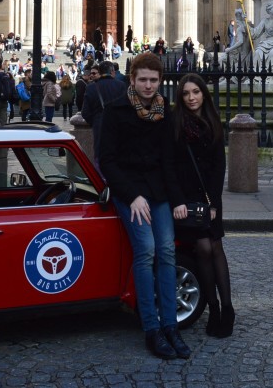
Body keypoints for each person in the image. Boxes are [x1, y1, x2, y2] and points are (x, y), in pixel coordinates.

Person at [98, 52, 190, 360]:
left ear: (160, 81)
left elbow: (170, 161)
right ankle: (151, 328)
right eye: (143, 80)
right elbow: (107, 161)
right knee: (147, 249)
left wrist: (177, 200)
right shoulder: (115, 111)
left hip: (160, 192)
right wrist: (132, 195)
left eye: (153, 80)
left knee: (167, 250)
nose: (148, 86)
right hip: (131, 194)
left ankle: (170, 326)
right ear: (132, 79)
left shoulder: (166, 112)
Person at [171, 73, 234, 338]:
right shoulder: (175, 124)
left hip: (209, 200)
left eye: (195, 92)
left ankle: (227, 309)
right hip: (187, 200)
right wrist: (178, 201)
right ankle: (213, 306)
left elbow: (219, 167)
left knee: (216, 247)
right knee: (203, 248)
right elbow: (170, 167)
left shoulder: (213, 122)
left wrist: (214, 204)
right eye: (186, 93)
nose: (191, 98)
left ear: (203, 94)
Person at [81, 61, 128, 170]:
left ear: (100, 72)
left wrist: (96, 120)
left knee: (101, 158)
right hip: (119, 127)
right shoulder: (121, 85)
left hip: (100, 127)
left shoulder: (91, 88)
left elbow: (85, 112)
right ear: (112, 72)